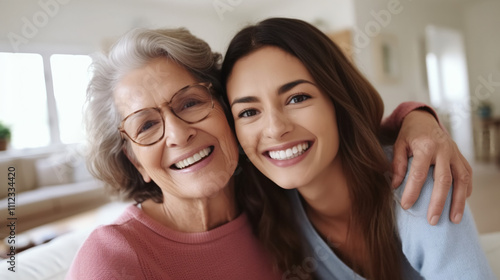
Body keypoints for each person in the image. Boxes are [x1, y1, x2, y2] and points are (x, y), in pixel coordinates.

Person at [66, 26, 473, 279]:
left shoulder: (269, 196)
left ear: (225, 117)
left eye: (189, 102)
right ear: (135, 160)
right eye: (147, 125)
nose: (178, 134)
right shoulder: (113, 257)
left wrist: (417, 119)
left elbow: (350, 134)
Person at [221, 17, 494, 279]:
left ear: (338, 101)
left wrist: (417, 116)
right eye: (248, 112)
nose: (275, 128)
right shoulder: (263, 208)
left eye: (297, 98)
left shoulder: (417, 182)